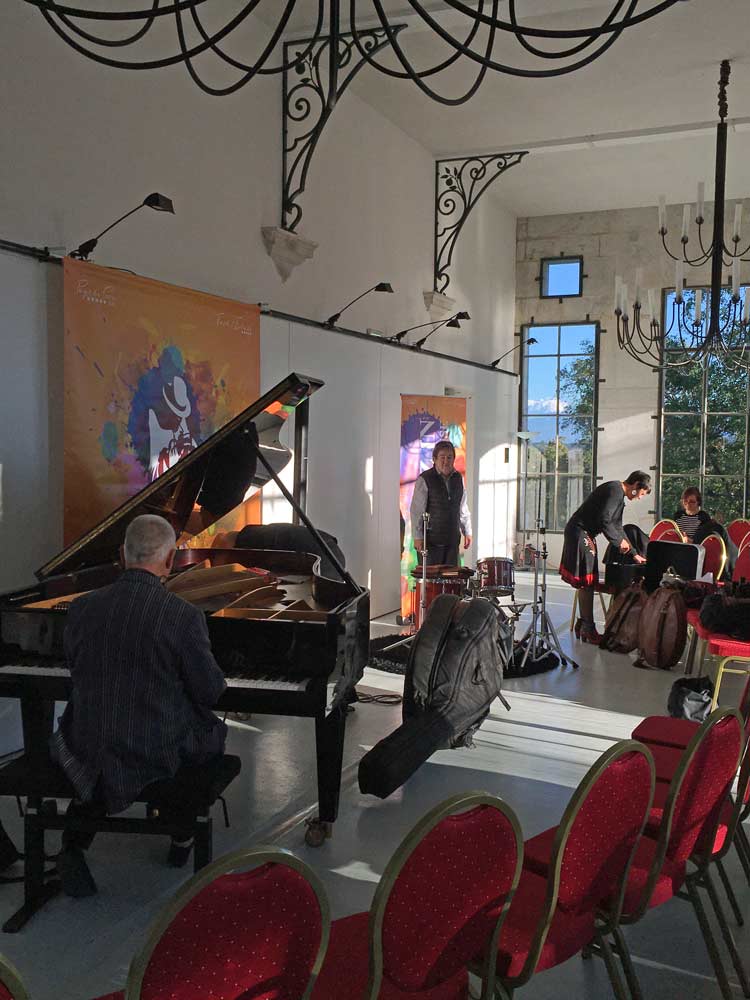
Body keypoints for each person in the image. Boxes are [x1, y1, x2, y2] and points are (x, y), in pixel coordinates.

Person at [51, 514, 227, 896]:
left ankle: (74, 841)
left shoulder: (81, 609)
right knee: (210, 733)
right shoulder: (184, 617)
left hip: (86, 743)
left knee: (106, 734)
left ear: (122, 555)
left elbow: (76, 669)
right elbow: (210, 691)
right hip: (155, 751)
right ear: (169, 561)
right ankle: (181, 835)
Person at [560, 471, 651, 644]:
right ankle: (588, 628)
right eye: (641, 494)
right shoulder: (615, 490)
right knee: (587, 580)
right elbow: (605, 521)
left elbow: (618, 527)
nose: (639, 498)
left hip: (583, 533)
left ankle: (583, 623)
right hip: (580, 532)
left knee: (587, 580)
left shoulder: (618, 495)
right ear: (636, 485)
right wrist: (618, 542)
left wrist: (634, 554)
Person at [410, 440, 472, 566]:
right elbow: (417, 511)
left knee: (451, 582)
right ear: (434, 459)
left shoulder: (458, 478)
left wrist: (467, 531)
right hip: (430, 544)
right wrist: (417, 537)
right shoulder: (425, 479)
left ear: (454, 459)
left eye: (449, 457)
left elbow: (462, 508)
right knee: (431, 584)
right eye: (442, 457)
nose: (446, 461)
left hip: (452, 542)